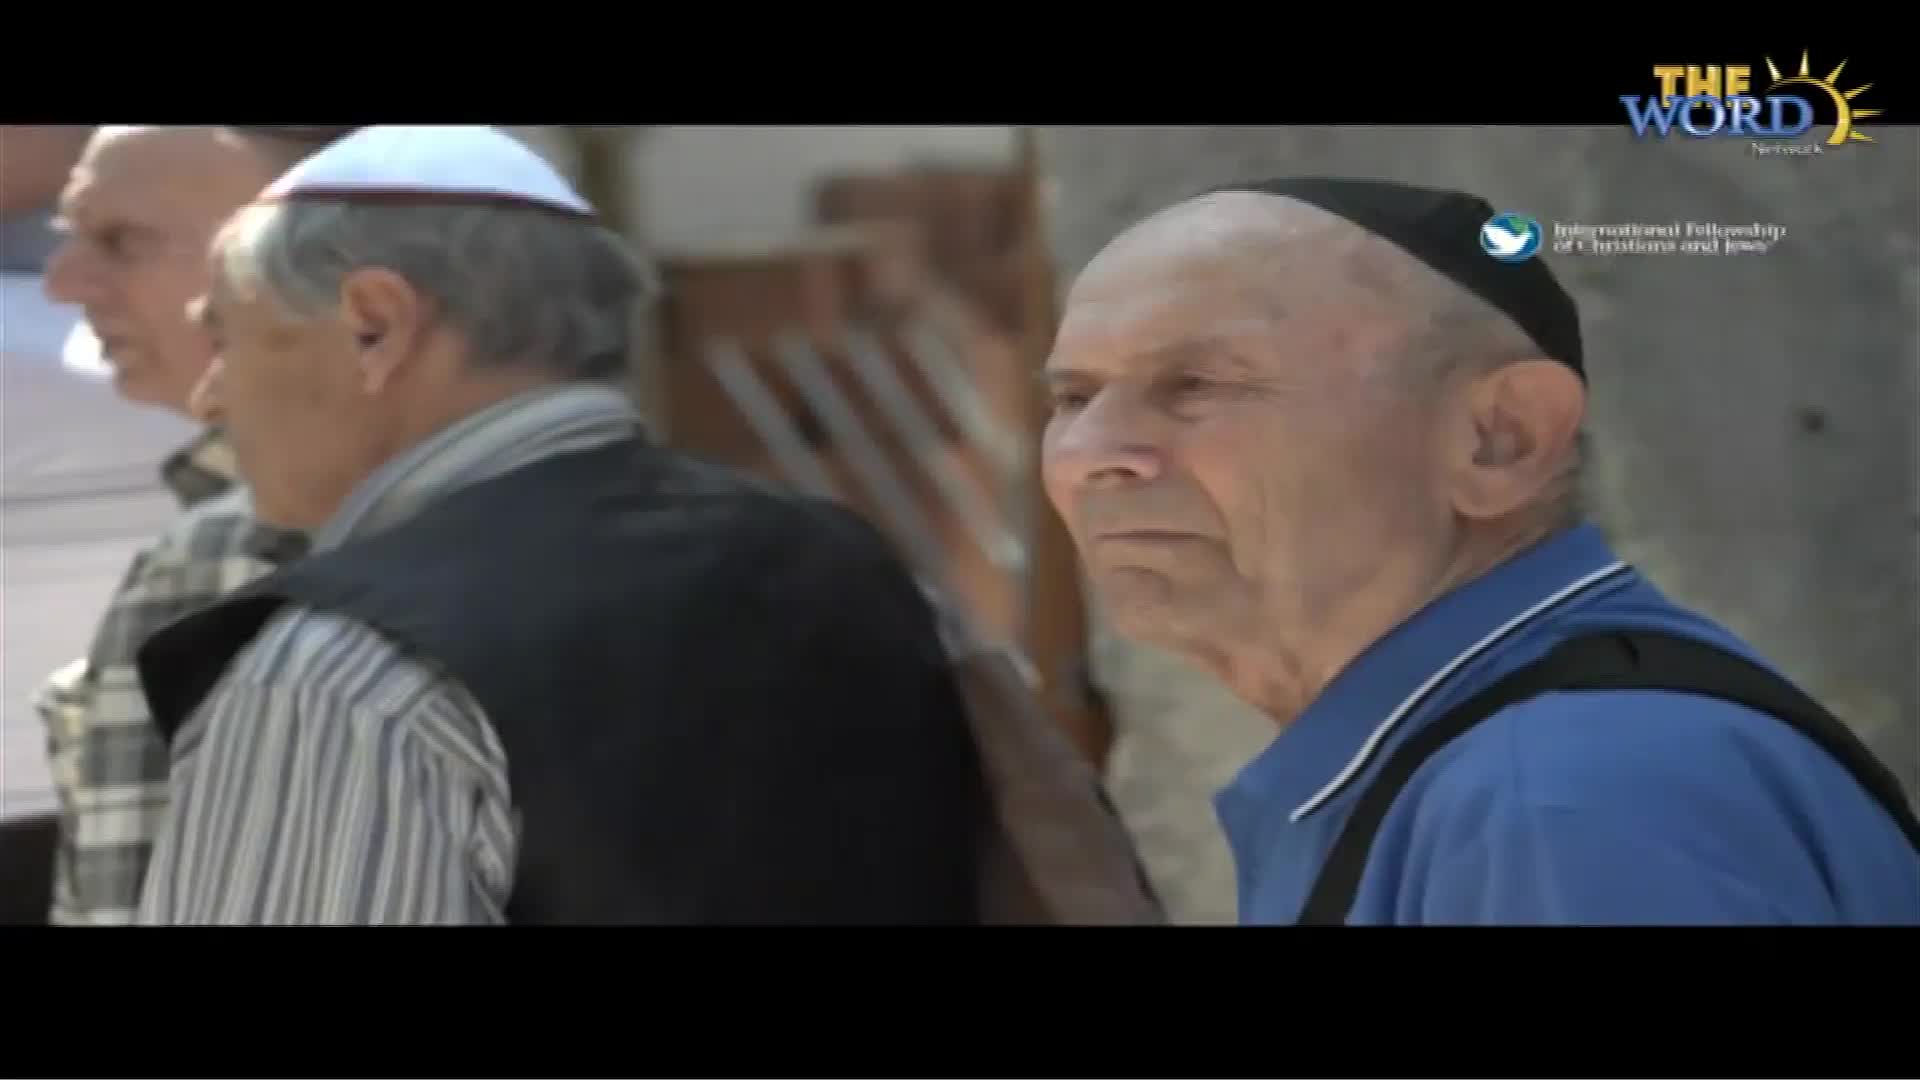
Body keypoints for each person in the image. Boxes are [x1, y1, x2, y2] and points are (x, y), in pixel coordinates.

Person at [132, 125, 990, 925]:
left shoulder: (337, 676)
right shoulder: (857, 568)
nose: (209, 397)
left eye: (228, 339)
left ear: (375, 327)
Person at [1039, 176, 1920, 925]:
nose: (1090, 456)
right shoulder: (1507, 766)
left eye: (1196, 385)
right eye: (1073, 398)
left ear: (1500, 439)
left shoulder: (1564, 801)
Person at [27, 126, 350, 925]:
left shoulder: (463, 549)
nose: (62, 283)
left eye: (125, 242)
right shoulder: (199, 542)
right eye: (67, 237)